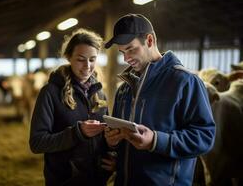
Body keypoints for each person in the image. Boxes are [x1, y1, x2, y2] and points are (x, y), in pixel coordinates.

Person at [103, 13, 216, 186]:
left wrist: (155, 141)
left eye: (131, 49)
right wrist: (113, 146)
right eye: (122, 52)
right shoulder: (124, 89)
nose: (126, 58)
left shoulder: (185, 82)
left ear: (149, 40)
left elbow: (204, 137)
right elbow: (122, 144)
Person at [29, 28, 114, 186]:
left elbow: (104, 136)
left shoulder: (100, 94)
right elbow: (37, 142)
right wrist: (77, 133)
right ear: (69, 57)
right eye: (81, 59)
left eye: (92, 59)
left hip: (97, 180)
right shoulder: (50, 93)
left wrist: (113, 155)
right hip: (65, 180)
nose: (87, 66)